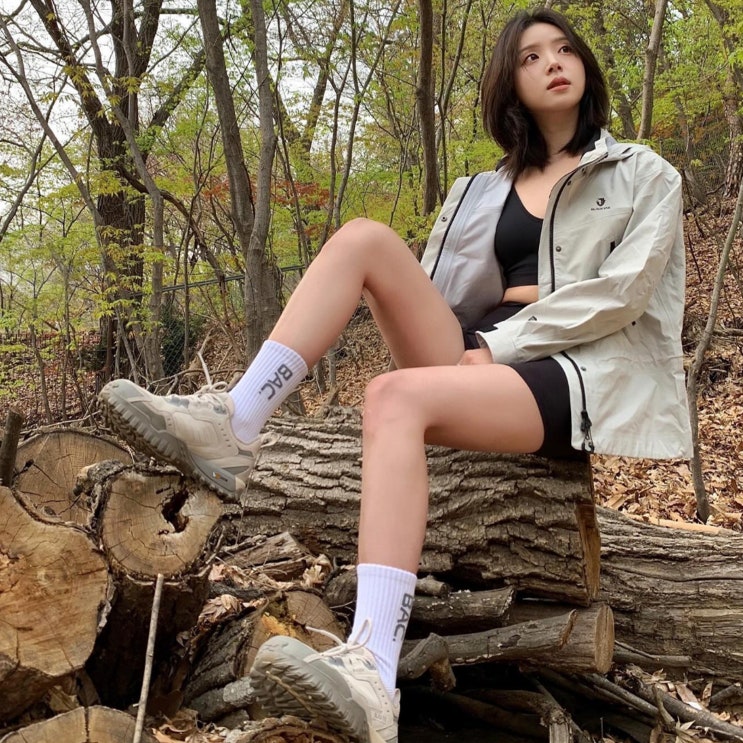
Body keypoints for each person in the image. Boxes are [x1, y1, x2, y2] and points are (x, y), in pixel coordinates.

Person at [99, 8, 692, 743]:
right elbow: (445, 294)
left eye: (564, 49)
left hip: (569, 367)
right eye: (531, 56)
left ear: (584, 67)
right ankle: (237, 421)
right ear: (509, 82)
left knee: (391, 396)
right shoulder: (484, 188)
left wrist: (499, 344)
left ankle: (372, 672)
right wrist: (465, 343)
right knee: (363, 238)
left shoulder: (642, 173)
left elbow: (621, 294)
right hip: (479, 350)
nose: (552, 62)